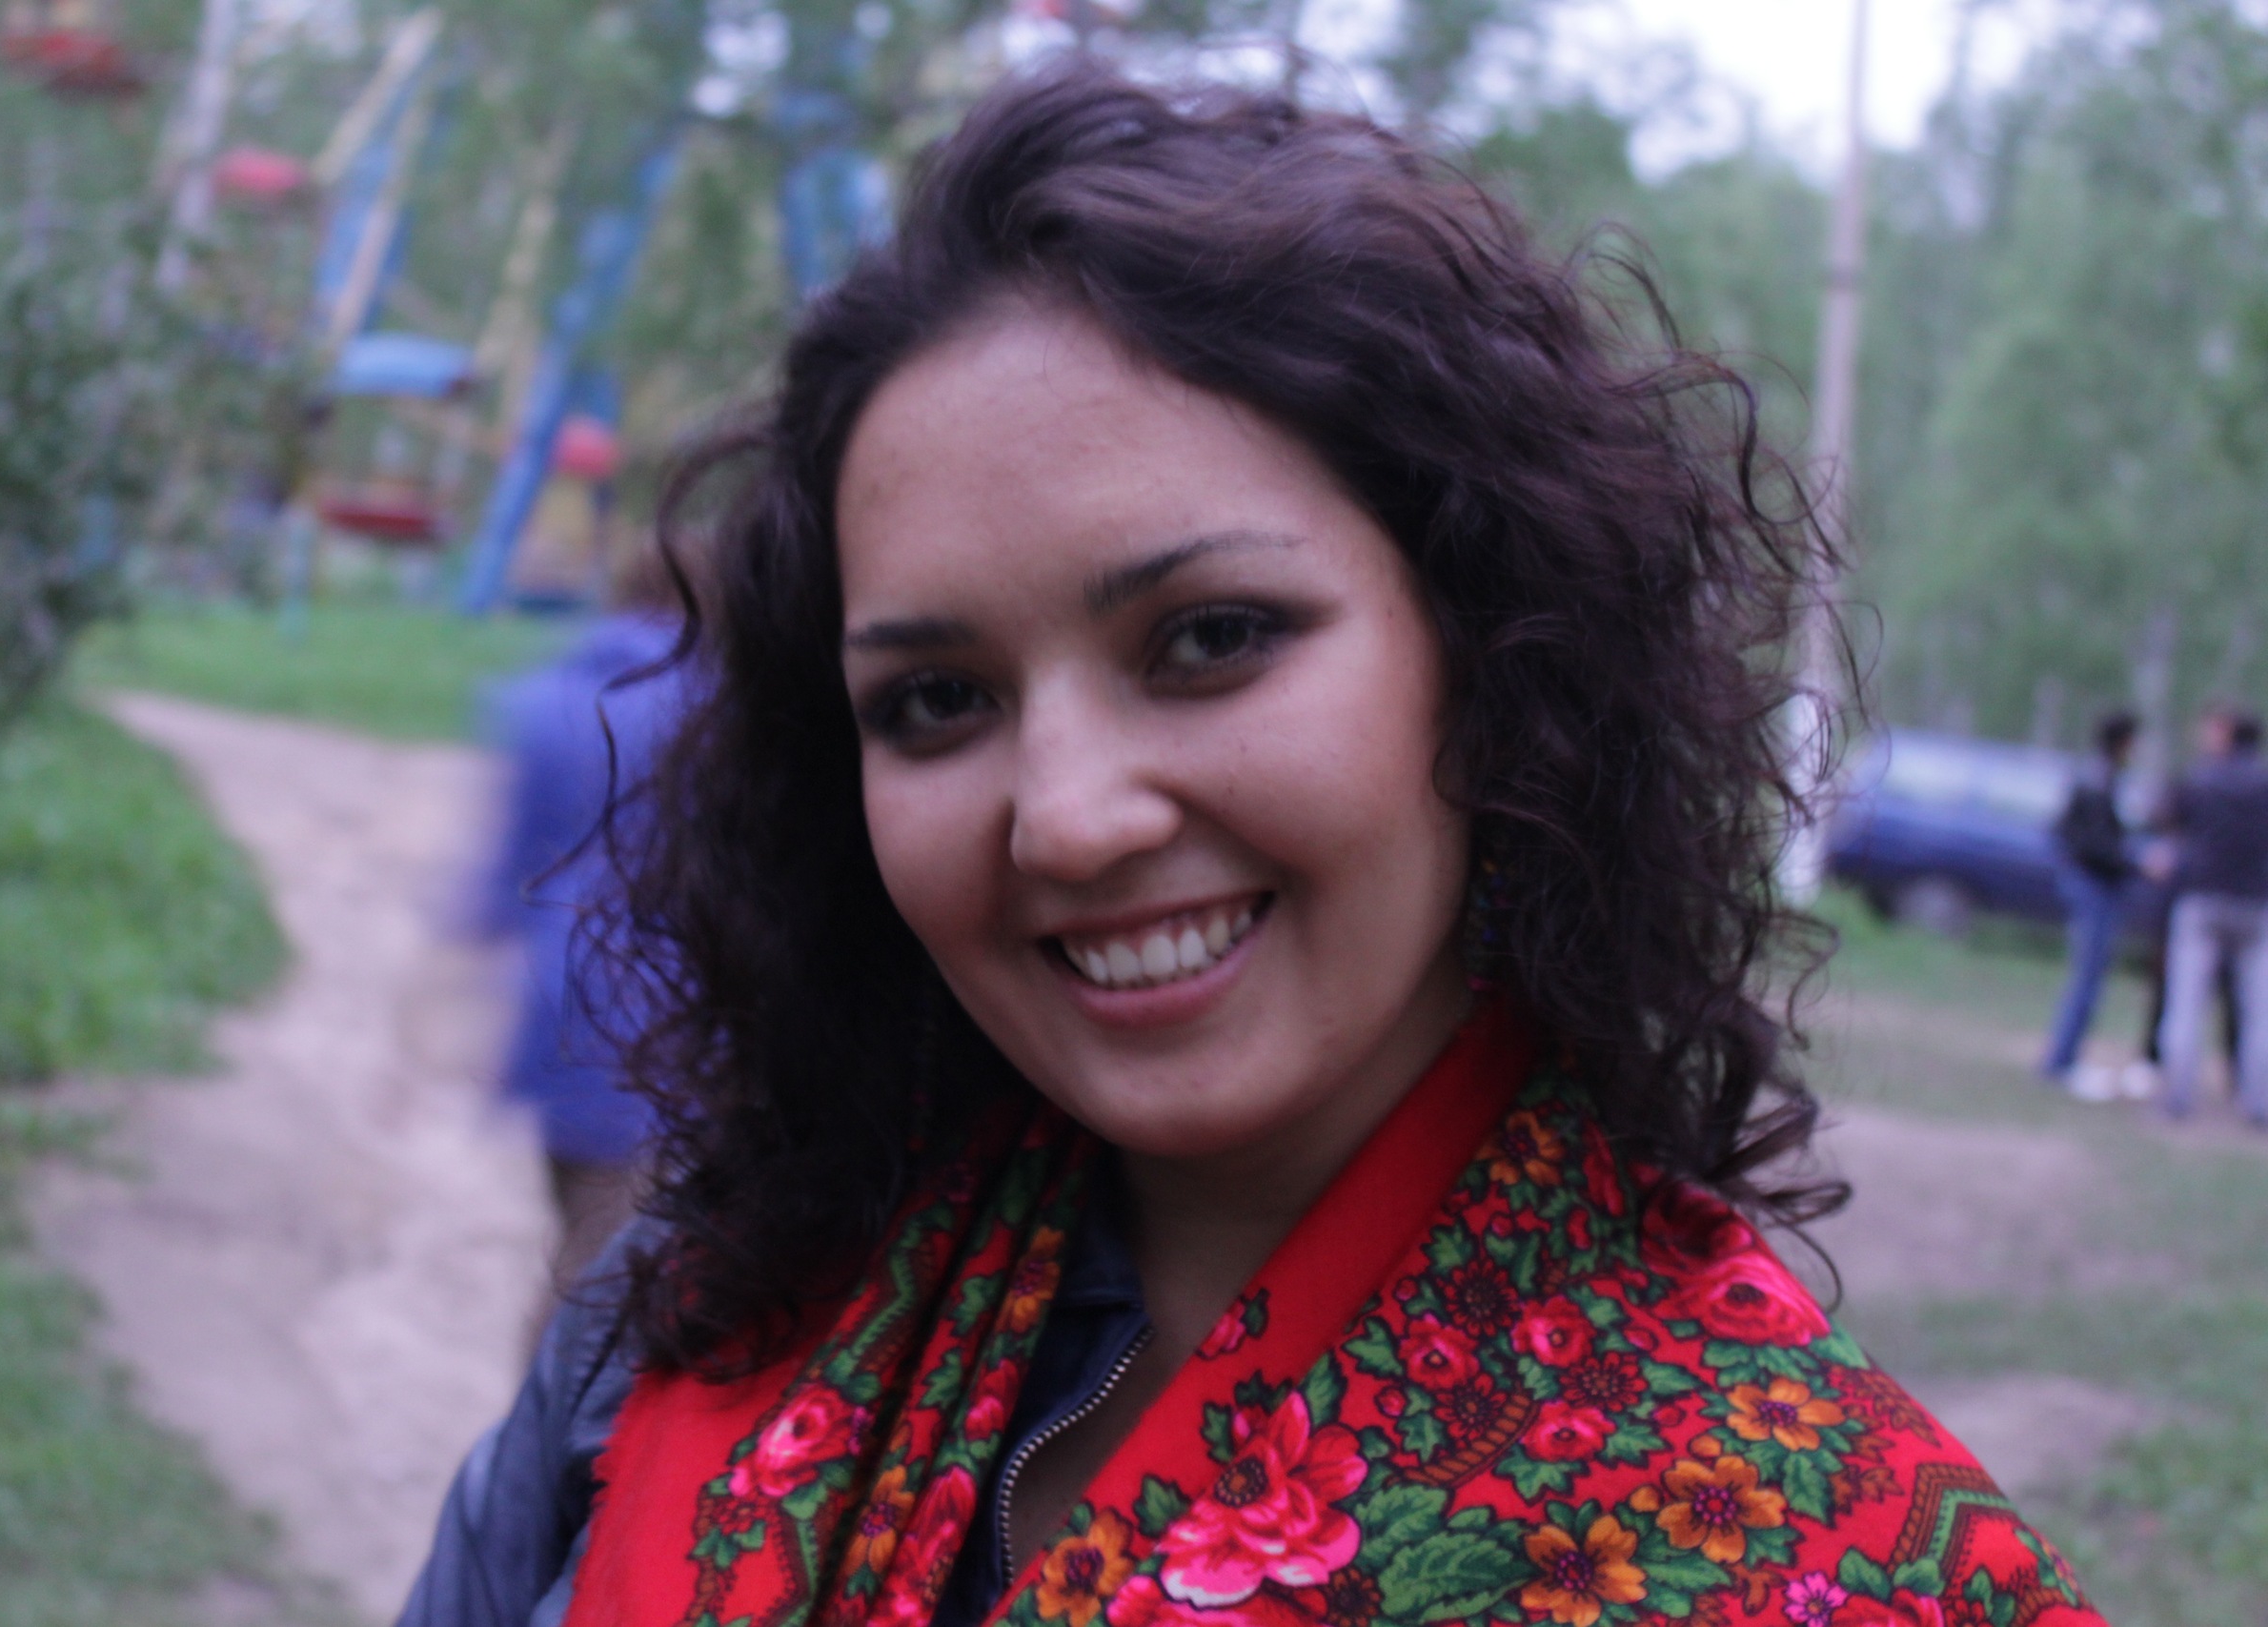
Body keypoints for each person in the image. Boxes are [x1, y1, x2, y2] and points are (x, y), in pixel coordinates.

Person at [402, 66, 2107, 1627]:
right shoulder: (697, 1315)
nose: (1069, 816)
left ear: (1492, 650)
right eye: (936, 700)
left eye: (1211, 638)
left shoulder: (1826, 1556)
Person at [475, 551, 694, 1294]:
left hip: (558, 1001)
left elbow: (504, 876)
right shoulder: (721, 713)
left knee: (582, 1231)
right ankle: (554, 1373)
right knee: (606, 1279)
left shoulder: (547, 699)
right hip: (672, 1025)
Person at [2152, 704, 2268, 1125]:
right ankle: (2259, 1104)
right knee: (2261, 1012)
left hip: (2202, 901)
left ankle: (2177, 1098)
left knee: (2186, 1003)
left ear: (2229, 735)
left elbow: (2162, 818)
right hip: (2257, 905)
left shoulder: (2200, 778)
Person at [2040, 710, 2138, 1093]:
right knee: (2088, 976)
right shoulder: (2099, 780)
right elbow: (2094, 843)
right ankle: (2062, 1061)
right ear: (2123, 741)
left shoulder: (2094, 775)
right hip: (2094, 887)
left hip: (2089, 884)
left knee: (2089, 975)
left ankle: (2065, 1058)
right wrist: (2136, 862)